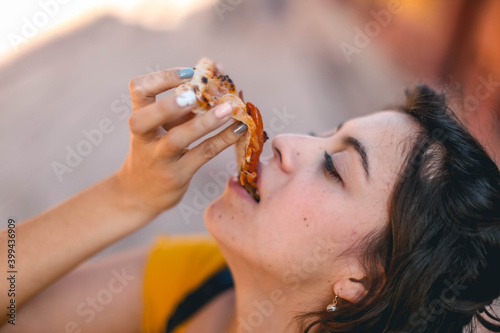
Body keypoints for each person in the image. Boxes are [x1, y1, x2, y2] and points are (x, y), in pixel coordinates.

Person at [1, 67, 499, 333]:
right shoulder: (201, 278)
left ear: (364, 282)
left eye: (332, 168)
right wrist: (127, 196)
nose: (285, 141)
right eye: (321, 133)